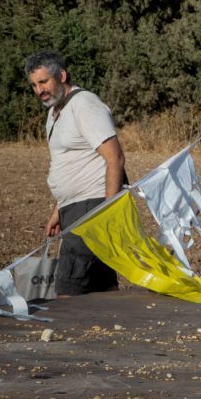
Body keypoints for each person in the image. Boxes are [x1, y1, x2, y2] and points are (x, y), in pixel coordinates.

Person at [24, 50, 125, 296]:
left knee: (67, 291)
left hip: (91, 210)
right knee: (102, 291)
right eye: (34, 85)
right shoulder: (54, 113)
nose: (40, 90)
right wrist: (57, 211)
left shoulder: (84, 105)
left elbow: (115, 158)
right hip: (74, 208)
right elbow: (72, 164)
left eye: (44, 82)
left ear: (61, 75)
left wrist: (107, 214)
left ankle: (66, 334)